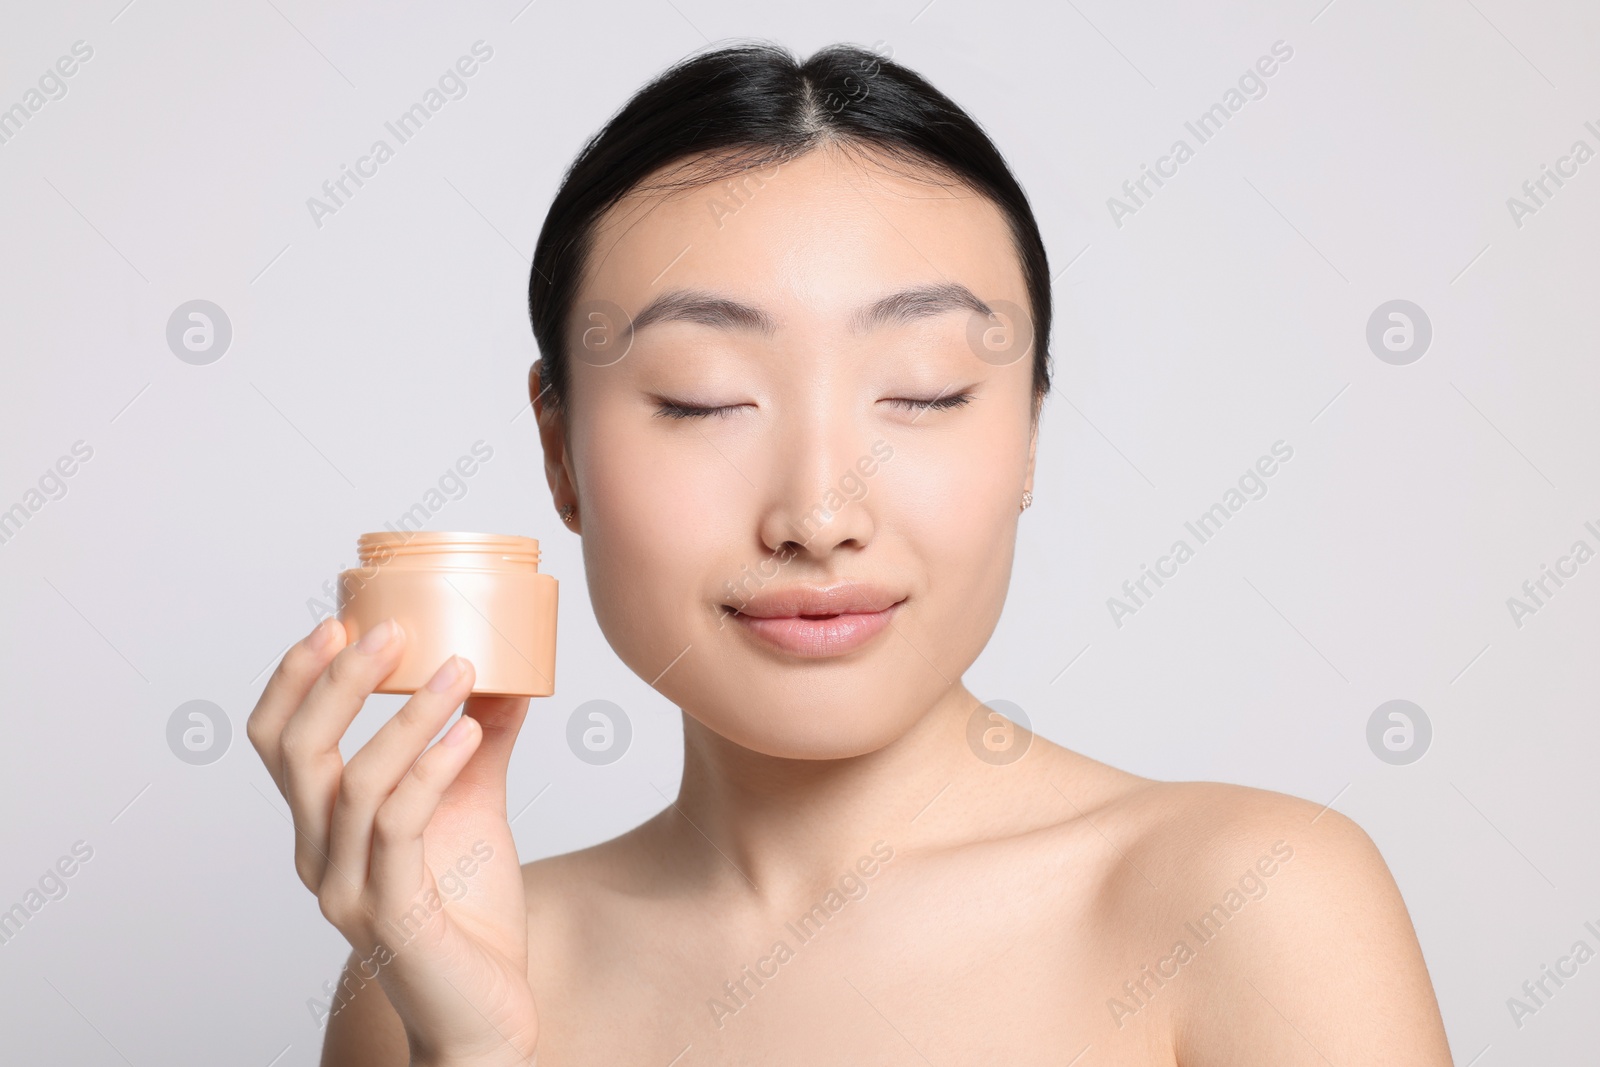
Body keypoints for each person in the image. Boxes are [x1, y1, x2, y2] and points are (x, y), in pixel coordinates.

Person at [248, 40, 1454, 1065]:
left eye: (925, 395)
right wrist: (483, 1045)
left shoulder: (1249, 901)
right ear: (558, 451)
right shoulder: (436, 965)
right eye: (702, 398)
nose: (819, 513)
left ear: (1029, 430)